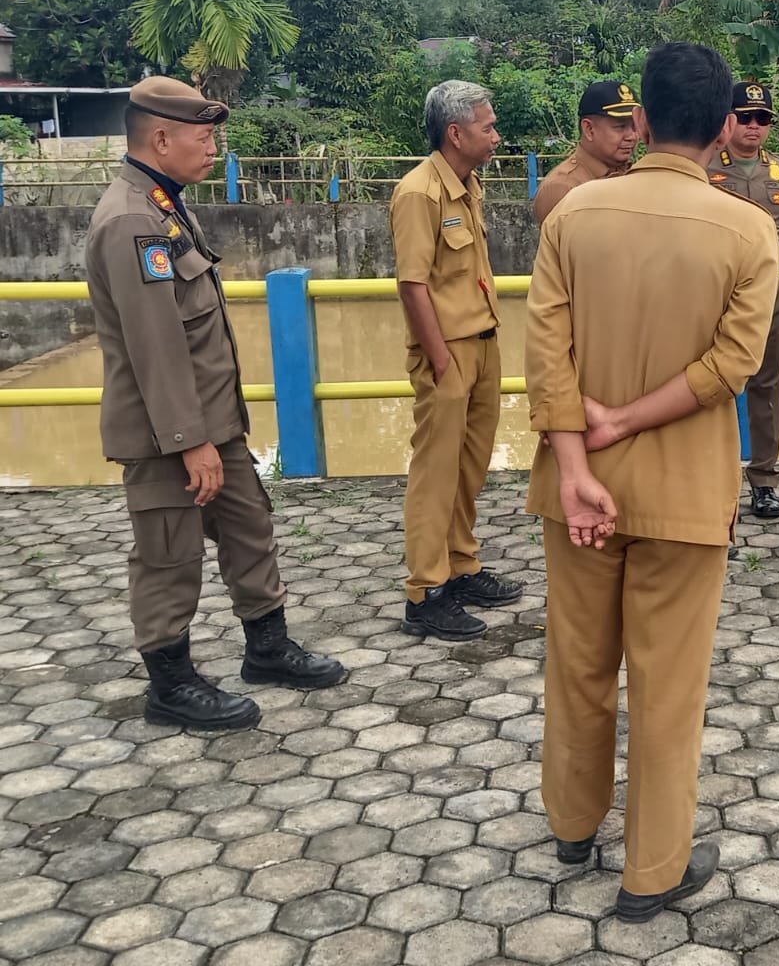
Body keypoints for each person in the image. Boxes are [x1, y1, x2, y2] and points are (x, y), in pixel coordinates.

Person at [524, 42, 779, 922]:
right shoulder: (747, 228)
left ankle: (570, 823)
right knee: (667, 689)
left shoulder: (574, 214)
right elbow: (734, 365)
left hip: (574, 483)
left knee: (579, 664)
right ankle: (652, 874)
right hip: (683, 494)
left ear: (639, 122)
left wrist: (575, 459)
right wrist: (631, 420)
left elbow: (544, 353)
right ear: (719, 129)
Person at [85, 77, 345, 731]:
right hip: (166, 434)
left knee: (248, 531)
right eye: (204, 139)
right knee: (169, 555)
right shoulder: (132, 221)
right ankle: (170, 686)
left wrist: (215, 433)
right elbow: (156, 346)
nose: (213, 149)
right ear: (161, 138)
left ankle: (268, 648)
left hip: (211, 425)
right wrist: (189, 440)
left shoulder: (164, 205)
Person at [390, 80, 521, 642]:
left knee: (470, 467)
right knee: (435, 472)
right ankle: (425, 591)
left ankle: (461, 564)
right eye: (488, 127)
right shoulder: (419, 193)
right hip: (448, 353)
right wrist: (440, 361)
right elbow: (412, 283)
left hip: (482, 340)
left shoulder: (468, 186)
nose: (495, 136)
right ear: (455, 132)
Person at [707, 81, 779, 519]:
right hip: (712, 298)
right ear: (727, 120)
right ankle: (713, 478)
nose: (753, 126)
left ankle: (764, 481)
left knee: (766, 387)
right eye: (744, 117)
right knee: (711, 384)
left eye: (762, 118)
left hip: (768, 297)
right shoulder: (704, 167)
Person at [531, 80, 641, 222]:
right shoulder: (563, 188)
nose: (632, 136)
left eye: (635, 127)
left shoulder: (634, 175)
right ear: (589, 129)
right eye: (620, 127)